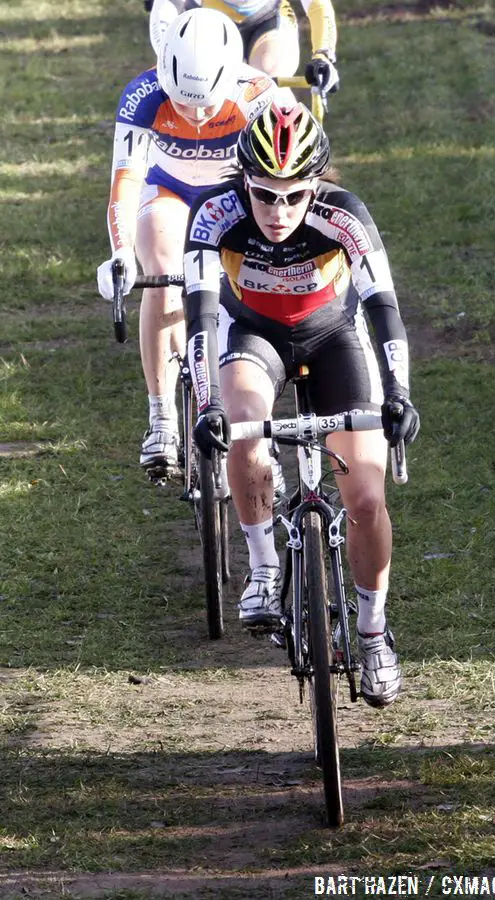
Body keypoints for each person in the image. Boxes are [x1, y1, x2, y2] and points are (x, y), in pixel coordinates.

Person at [183, 102, 420, 708]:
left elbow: (383, 307)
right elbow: (203, 317)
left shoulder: (346, 216)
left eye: (295, 197)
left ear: (317, 186)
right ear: (243, 181)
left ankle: (371, 635)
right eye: (264, 195)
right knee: (242, 426)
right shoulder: (214, 215)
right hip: (254, 338)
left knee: (365, 496)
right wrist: (207, 403)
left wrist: (399, 394)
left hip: (334, 338)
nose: (279, 212)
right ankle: (264, 568)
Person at [96, 8, 278, 478]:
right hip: (169, 190)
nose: (196, 116)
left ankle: (263, 429)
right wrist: (120, 252)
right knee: (159, 270)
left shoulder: (257, 93)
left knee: (255, 281)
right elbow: (126, 179)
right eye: (183, 103)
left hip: (233, 191)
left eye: (207, 106)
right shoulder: (143, 93)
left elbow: (281, 174)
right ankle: (161, 415)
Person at [146, 0, 339, 96]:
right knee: (201, 83)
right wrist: (168, 58)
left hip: (268, 14)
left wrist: (323, 55)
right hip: (208, 15)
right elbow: (165, 7)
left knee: (269, 78)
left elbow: (318, 5)